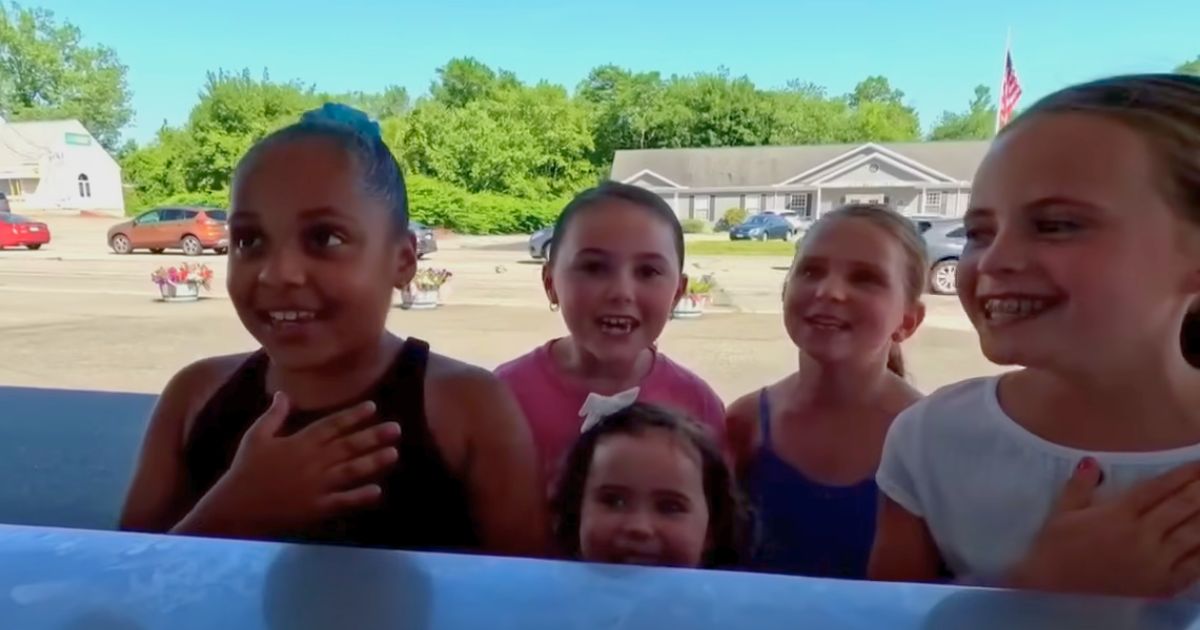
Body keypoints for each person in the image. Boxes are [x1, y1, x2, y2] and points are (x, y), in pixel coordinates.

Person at [119, 103, 548, 557]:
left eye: (325, 238)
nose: (277, 274)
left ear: (402, 260)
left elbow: (528, 596)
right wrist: (231, 512)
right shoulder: (194, 396)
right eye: (249, 240)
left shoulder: (469, 408)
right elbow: (120, 582)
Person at [869, 74, 1200, 599]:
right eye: (980, 232)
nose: (994, 260)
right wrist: (1039, 590)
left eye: (1057, 225)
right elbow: (884, 612)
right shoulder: (932, 440)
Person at [725, 204, 926, 578]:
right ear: (785, 290)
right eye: (811, 270)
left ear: (908, 320)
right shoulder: (744, 424)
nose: (830, 291)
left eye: (865, 278)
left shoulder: (934, 436)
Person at [495, 182, 726, 488]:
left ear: (677, 293)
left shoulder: (699, 406)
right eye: (593, 268)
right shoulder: (501, 398)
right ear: (551, 283)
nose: (621, 292)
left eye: (648, 272)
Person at [550, 402, 748, 568]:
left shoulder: (727, 613)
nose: (639, 528)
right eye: (614, 501)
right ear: (576, 510)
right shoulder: (546, 610)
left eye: (670, 507)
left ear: (712, 529)